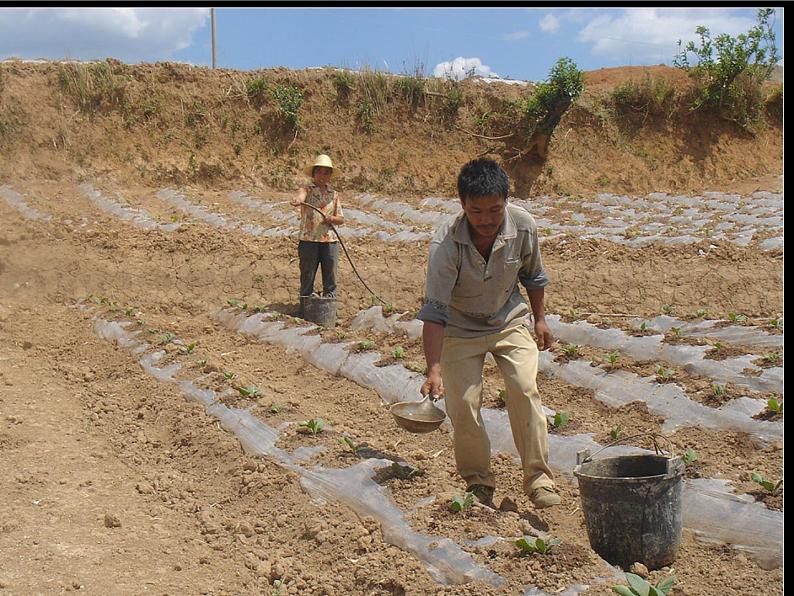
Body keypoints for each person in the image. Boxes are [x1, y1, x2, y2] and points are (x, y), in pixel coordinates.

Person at [417, 157, 559, 510]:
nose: (486, 220)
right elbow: (435, 311)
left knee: (525, 389)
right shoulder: (446, 244)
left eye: (495, 210)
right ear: (462, 205)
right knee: (463, 404)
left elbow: (534, 276)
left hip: (508, 319)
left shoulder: (523, 227)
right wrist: (433, 369)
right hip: (461, 326)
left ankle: (539, 479)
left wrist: (539, 319)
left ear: (506, 203)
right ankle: (478, 481)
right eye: (476, 211)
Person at [291, 154, 345, 300]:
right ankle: (305, 305)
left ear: (330, 176)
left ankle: (329, 304)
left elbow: (341, 219)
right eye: (319, 172)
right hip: (309, 240)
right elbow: (301, 196)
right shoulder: (307, 190)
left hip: (329, 241)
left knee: (330, 277)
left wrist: (331, 218)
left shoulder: (333, 195)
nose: (322, 175)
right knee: (307, 275)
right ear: (314, 174)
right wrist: (298, 200)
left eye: (326, 173)